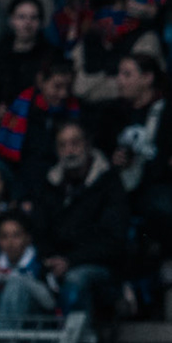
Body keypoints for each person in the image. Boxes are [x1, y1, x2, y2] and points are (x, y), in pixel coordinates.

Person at [99, 53, 172, 286]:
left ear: (147, 78)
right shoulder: (111, 113)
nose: (119, 80)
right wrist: (112, 158)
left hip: (161, 184)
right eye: (119, 74)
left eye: (127, 74)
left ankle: (169, 255)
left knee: (163, 205)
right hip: (121, 186)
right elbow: (99, 148)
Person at [27, 118, 128, 314]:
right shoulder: (50, 185)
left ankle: (78, 342)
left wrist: (71, 261)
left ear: (88, 145)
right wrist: (50, 259)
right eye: (63, 145)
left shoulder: (109, 183)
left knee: (76, 281)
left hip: (97, 267)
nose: (69, 150)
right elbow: (38, 231)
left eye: (75, 143)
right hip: (54, 267)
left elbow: (113, 240)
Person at [0, 58, 79, 192]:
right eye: (57, 86)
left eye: (68, 87)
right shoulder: (23, 108)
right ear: (41, 81)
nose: (64, 94)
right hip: (21, 181)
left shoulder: (73, 113)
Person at [0, 210, 54, 325]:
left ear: (28, 238)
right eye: (4, 236)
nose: (10, 242)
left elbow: (50, 304)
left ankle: (4, 342)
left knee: (15, 288)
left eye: (16, 236)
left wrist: (16, 280)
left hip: (34, 325)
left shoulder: (41, 264)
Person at [0, 0, 52, 117]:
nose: (28, 23)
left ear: (40, 22)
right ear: (11, 20)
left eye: (33, 18)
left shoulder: (50, 55)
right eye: (21, 17)